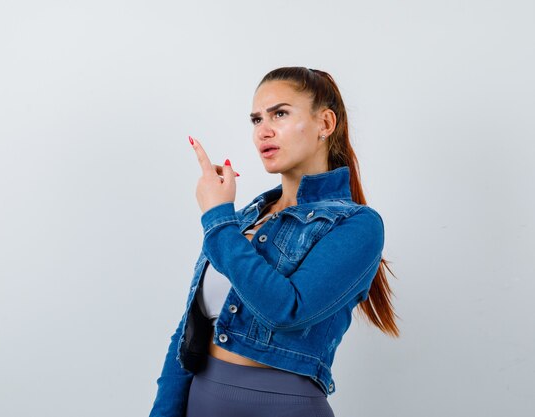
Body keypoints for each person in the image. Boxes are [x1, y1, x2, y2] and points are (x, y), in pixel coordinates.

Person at [149, 67, 399, 417]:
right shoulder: (246, 216)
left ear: (325, 124)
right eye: (255, 119)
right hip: (201, 402)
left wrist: (218, 219)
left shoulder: (358, 225)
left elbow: (285, 311)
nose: (263, 131)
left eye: (280, 114)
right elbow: (189, 329)